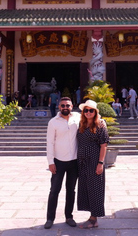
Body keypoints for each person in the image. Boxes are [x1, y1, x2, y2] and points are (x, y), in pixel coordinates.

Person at [44, 97, 80, 229]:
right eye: (63, 105)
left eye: (68, 105)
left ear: (72, 106)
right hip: (59, 161)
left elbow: (92, 119)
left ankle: (69, 216)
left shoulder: (77, 118)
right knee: (54, 190)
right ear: (59, 107)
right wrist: (50, 162)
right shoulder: (53, 122)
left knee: (71, 190)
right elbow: (50, 142)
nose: (65, 107)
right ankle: (50, 218)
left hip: (74, 161)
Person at [77, 99, 109, 229]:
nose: (88, 112)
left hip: (94, 161)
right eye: (86, 110)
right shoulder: (82, 124)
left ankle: (94, 219)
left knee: (95, 189)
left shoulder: (100, 125)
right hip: (83, 162)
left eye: (91, 110)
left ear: (95, 112)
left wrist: (100, 163)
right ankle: (91, 217)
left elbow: (104, 145)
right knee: (85, 188)